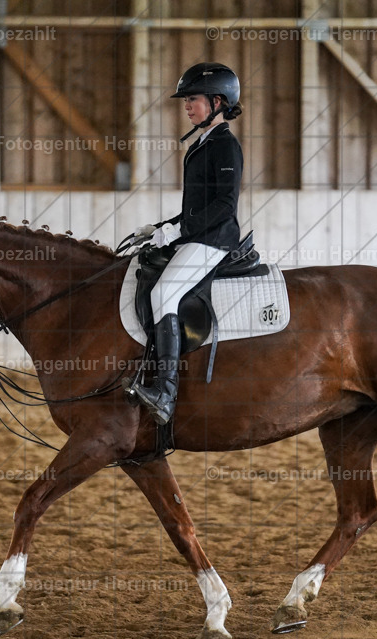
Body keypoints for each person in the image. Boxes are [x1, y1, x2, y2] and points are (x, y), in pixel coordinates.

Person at [127, 62, 244, 426]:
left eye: (193, 99)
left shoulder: (225, 146)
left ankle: (165, 392)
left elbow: (224, 206)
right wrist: (160, 228)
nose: (187, 107)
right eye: (186, 100)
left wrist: (177, 233)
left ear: (218, 102)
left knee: (164, 294)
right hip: (198, 234)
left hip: (215, 240)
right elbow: (194, 208)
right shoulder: (201, 144)